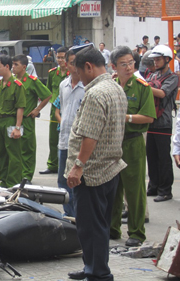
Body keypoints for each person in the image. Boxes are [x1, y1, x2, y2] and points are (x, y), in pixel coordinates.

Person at [65, 45, 127, 281]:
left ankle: (98, 273)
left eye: (79, 72)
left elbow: (90, 135)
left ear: (88, 67)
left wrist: (77, 167)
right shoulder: (115, 87)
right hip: (110, 168)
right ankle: (92, 265)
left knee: (91, 227)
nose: (78, 77)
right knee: (97, 224)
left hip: (92, 173)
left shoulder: (95, 93)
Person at [108, 46, 156, 248]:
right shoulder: (111, 85)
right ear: (114, 66)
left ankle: (136, 232)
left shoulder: (142, 86)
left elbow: (148, 117)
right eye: (124, 64)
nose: (129, 68)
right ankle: (112, 227)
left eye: (131, 63)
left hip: (133, 141)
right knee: (112, 188)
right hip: (113, 142)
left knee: (134, 190)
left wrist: (125, 116)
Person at [146, 45, 179, 202]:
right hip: (150, 121)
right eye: (154, 60)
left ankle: (165, 190)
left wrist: (144, 85)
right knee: (151, 156)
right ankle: (154, 186)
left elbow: (162, 93)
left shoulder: (173, 78)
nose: (156, 62)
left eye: (158, 59)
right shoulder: (153, 76)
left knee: (163, 159)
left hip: (163, 122)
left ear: (167, 59)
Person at [12, 54, 51, 181]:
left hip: (26, 120)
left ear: (24, 67)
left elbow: (47, 95)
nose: (13, 67)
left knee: (27, 149)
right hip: (13, 119)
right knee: (14, 148)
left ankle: (27, 176)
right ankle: (16, 174)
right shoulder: (12, 81)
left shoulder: (32, 81)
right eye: (12, 64)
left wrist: (37, 109)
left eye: (16, 65)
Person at [55, 50, 84, 218]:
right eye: (71, 63)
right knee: (63, 181)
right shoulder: (63, 85)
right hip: (64, 140)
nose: (74, 67)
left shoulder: (87, 87)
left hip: (80, 143)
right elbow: (62, 110)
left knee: (78, 181)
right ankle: (69, 215)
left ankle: (79, 215)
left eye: (77, 63)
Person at [0, 55, 26, 188]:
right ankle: (4, 181)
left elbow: (20, 108)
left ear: (7, 67)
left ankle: (13, 183)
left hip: (10, 122)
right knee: (2, 154)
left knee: (14, 155)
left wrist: (17, 127)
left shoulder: (17, 85)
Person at [40, 46, 69, 175]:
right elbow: (49, 91)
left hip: (67, 108)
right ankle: (52, 164)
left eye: (63, 58)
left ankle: (66, 165)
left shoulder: (72, 73)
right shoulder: (52, 73)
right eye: (58, 57)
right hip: (54, 109)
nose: (60, 60)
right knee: (53, 138)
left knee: (67, 137)